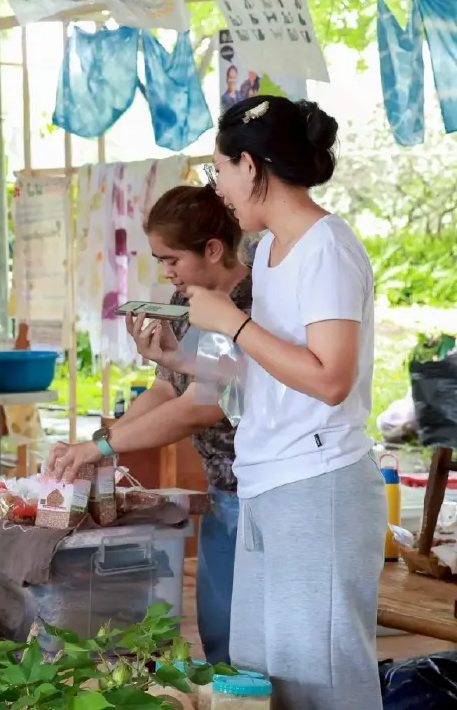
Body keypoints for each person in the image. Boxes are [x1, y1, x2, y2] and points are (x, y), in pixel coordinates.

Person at [184, 96, 382, 708]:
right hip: (269, 478)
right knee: (265, 674)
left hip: (318, 483)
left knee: (322, 678)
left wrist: (232, 323)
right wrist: (177, 358)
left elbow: (329, 379)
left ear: (250, 165)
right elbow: (266, 374)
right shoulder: (268, 252)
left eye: (219, 170)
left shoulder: (328, 247)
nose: (218, 188)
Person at [44, 184, 251, 665]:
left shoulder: (246, 304)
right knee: (219, 636)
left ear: (214, 249)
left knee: (254, 646)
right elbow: (166, 388)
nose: (166, 272)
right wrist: (95, 440)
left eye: (172, 259)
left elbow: (202, 407)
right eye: (159, 261)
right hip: (224, 493)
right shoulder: (189, 304)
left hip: (263, 491)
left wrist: (104, 448)